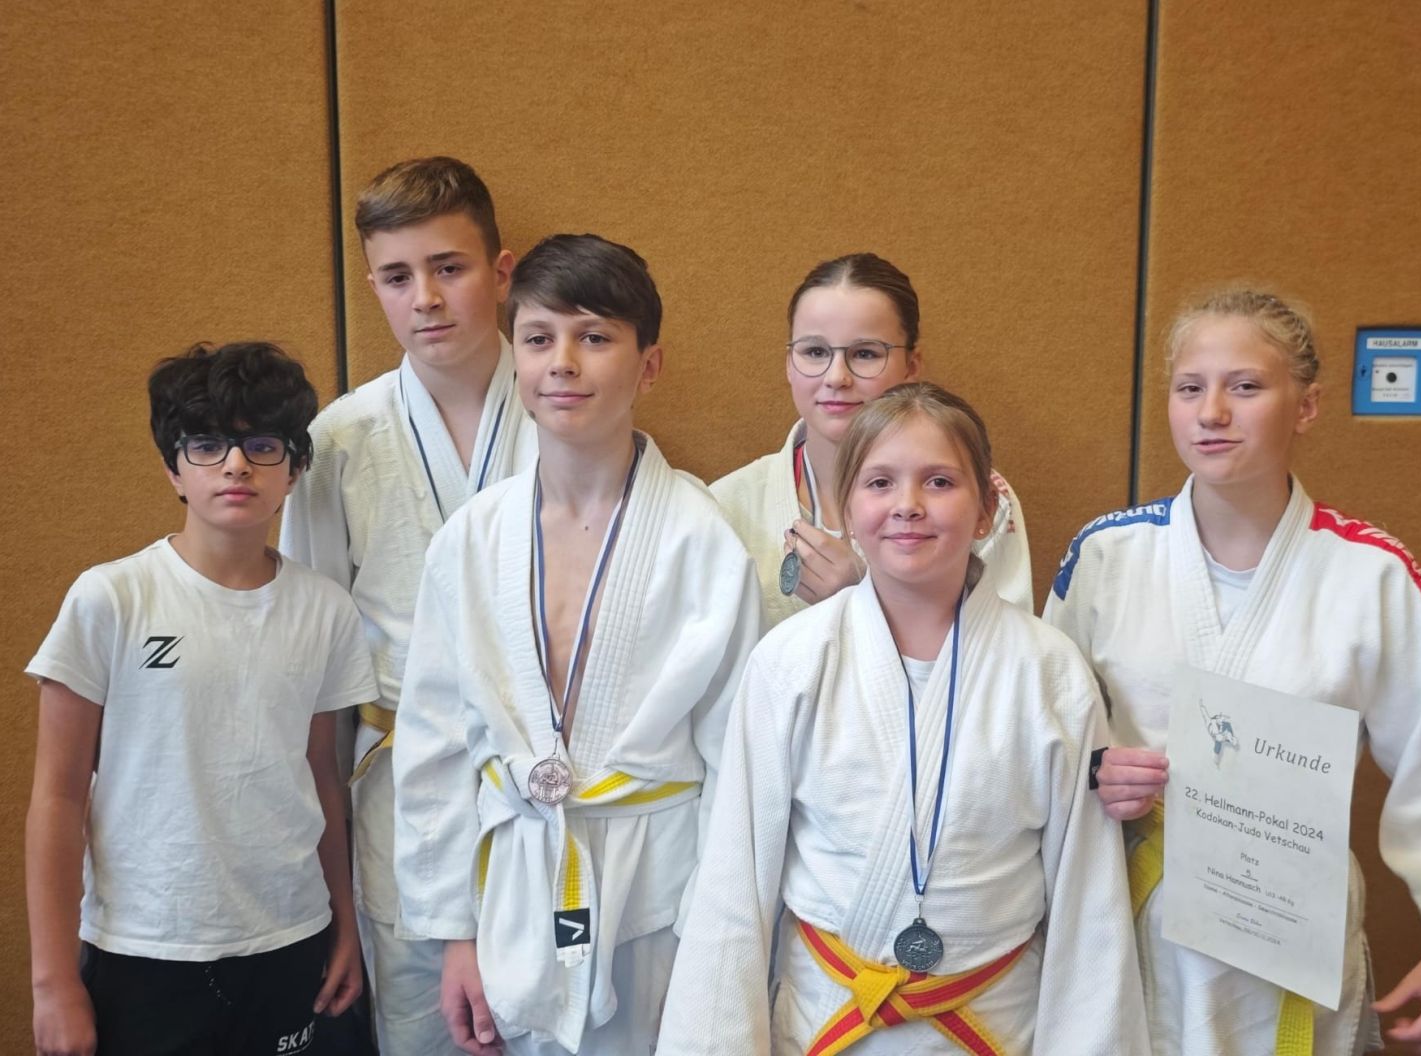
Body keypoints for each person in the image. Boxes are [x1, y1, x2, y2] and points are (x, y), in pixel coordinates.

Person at [1044, 289, 1421, 1056]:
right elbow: (1043, 738)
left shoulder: (1369, 576)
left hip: (1289, 927)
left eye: (1244, 386)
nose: (1210, 413)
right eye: (1189, 387)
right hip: (1130, 923)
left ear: (1306, 406)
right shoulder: (1106, 557)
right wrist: (1098, 772)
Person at [659, 382, 1148, 1055]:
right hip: (828, 1022)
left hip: (995, 1026)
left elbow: (1088, 899)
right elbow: (735, 880)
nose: (908, 505)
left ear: (987, 510)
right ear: (847, 508)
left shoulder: (1050, 673)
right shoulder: (791, 661)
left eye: (939, 482)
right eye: (880, 482)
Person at [393, 234, 761, 1055]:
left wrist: (715, 939)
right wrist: (455, 933)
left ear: (648, 365)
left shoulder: (700, 540)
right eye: (537, 338)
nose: (562, 362)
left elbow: (735, 763)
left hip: (658, 893)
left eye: (594, 337)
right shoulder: (471, 539)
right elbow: (433, 745)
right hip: (512, 884)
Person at [27, 342, 378, 1056]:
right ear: (173, 468)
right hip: (145, 945)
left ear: (295, 468)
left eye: (262, 445)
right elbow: (57, 797)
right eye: (208, 445)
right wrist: (53, 981)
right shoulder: (111, 598)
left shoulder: (326, 609)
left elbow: (322, 777)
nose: (236, 465)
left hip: (291, 935)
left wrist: (346, 924)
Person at [280, 155, 536, 1054]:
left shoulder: (567, 412)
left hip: (545, 773)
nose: (424, 298)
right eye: (396, 277)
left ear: (501, 272)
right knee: (423, 1022)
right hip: (400, 777)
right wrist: (328, 872)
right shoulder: (339, 441)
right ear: (373, 288)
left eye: (448, 268)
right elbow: (312, 660)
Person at [710, 253, 1033, 629]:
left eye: (865, 354)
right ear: (788, 365)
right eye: (815, 352)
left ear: (911, 366)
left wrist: (866, 597)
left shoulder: (976, 497)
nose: (836, 377)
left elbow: (1007, 649)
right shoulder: (727, 504)